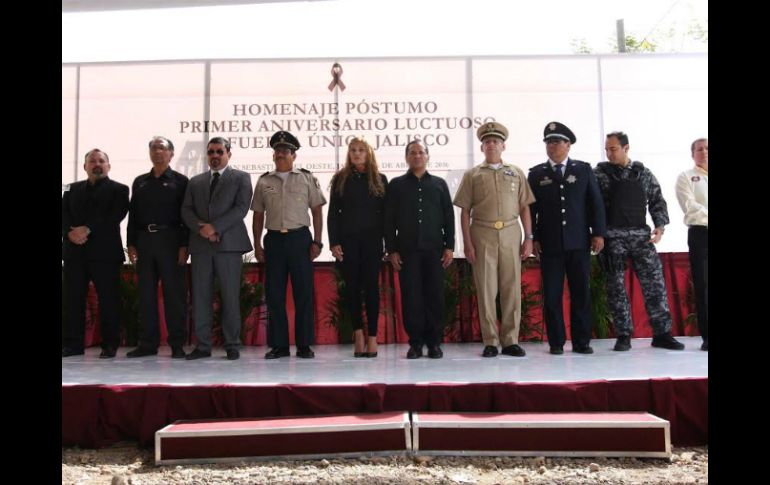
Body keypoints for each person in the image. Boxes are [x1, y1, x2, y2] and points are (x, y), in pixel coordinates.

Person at [594, 131, 684, 351]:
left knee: (655, 286)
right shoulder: (598, 175)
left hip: (641, 238)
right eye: (607, 149)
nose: (609, 153)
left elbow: (656, 200)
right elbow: (591, 207)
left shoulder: (642, 173)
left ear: (626, 148)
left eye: (613, 149)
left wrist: (660, 227)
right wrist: (596, 234)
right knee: (616, 288)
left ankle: (662, 333)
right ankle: (624, 334)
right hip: (613, 238)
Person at [453, 122, 535, 358]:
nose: (491, 145)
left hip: (511, 232)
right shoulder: (473, 175)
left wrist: (528, 238)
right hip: (482, 233)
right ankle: (490, 340)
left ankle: (510, 340)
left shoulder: (516, 172)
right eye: (487, 141)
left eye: (496, 141)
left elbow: (524, 207)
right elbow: (465, 211)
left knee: (511, 288)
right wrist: (466, 243)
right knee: (486, 289)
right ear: (482, 147)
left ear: (503, 146)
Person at [527, 122, 606, 355]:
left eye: (556, 141)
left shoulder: (582, 170)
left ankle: (582, 342)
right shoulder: (537, 173)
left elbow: (595, 203)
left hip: (579, 242)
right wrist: (534, 238)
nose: (552, 146)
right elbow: (531, 210)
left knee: (580, 293)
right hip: (550, 245)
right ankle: (556, 342)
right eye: (548, 142)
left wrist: (599, 233)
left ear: (568, 145)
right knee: (552, 295)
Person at [251, 131, 327, 359]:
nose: (281, 154)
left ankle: (304, 345)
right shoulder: (264, 180)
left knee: (303, 293)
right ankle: (279, 345)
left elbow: (317, 211)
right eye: (277, 151)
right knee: (274, 295)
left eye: (285, 151)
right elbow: (257, 215)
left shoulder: (306, 178)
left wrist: (318, 241)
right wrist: (257, 245)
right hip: (274, 240)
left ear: (294, 155)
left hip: (299, 239)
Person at [181, 137, 253, 360]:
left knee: (230, 296)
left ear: (228, 154)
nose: (214, 156)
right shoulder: (195, 182)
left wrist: (215, 228)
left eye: (219, 151)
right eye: (211, 152)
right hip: (201, 246)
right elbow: (186, 210)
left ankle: (232, 344)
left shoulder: (241, 177)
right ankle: (203, 346)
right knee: (201, 297)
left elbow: (241, 208)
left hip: (229, 246)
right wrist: (201, 228)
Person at [385, 140, 455, 359]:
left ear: (428, 156)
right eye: (412, 153)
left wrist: (450, 247)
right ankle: (415, 343)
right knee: (411, 296)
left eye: (421, 152)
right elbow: (389, 221)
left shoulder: (439, 184)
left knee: (435, 296)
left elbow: (448, 217)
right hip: (407, 251)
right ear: (407, 157)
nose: (417, 156)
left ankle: (434, 342)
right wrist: (392, 250)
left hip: (434, 250)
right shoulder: (396, 185)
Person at [62, 148, 129, 358]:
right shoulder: (71, 190)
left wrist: (86, 229)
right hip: (75, 254)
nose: (97, 164)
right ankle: (73, 345)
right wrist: (69, 233)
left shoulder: (120, 189)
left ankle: (109, 345)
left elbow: (114, 215)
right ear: (85, 166)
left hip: (105, 256)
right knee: (73, 301)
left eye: (101, 161)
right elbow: (63, 215)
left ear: (108, 166)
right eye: (92, 161)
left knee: (109, 301)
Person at [126, 136, 189, 359]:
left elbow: (186, 216)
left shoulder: (181, 181)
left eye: (162, 148)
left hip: (170, 240)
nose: (157, 151)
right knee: (145, 295)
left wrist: (184, 245)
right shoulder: (140, 181)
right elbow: (133, 214)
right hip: (144, 241)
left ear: (171, 154)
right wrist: (130, 243)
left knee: (174, 295)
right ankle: (147, 344)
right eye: (153, 148)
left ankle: (177, 344)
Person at [328, 137, 388, 358]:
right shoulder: (340, 179)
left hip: (372, 243)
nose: (356, 153)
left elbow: (386, 216)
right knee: (351, 289)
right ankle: (358, 333)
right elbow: (333, 213)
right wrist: (334, 242)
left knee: (371, 289)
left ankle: (372, 336)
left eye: (361, 150)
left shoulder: (380, 179)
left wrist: (387, 244)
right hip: (348, 243)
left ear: (368, 153)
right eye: (353, 150)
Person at [675, 138, 708, 351]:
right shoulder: (686, 177)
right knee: (704, 287)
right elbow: (690, 207)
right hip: (701, 235)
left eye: (707, 148)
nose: (704, 151)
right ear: (692, 153)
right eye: (700, 149)